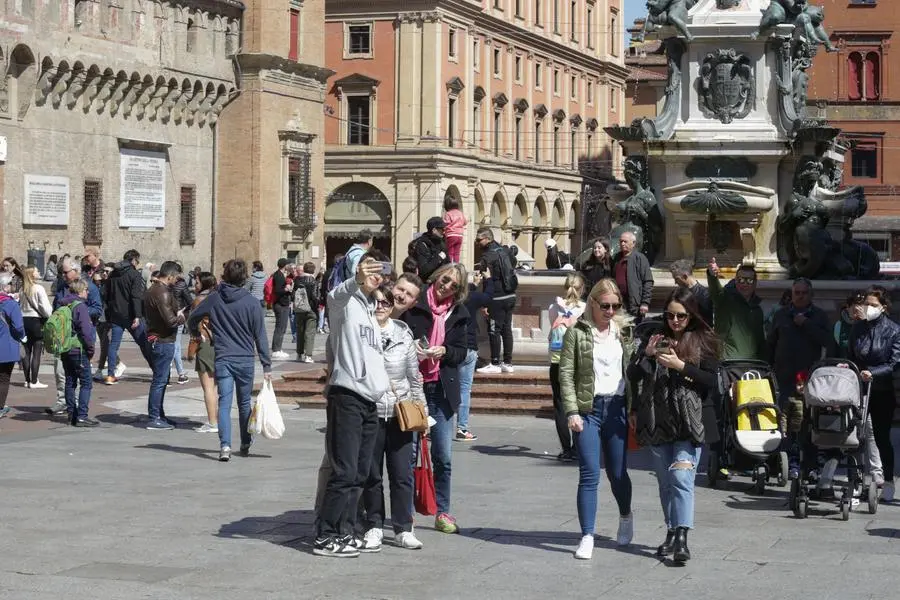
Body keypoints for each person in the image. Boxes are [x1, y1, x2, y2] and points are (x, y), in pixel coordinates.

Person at [630, 287, 720, 564]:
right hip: (659, 419)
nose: (674, 321)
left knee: (681, 478)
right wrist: (645, 354)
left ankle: (682, 536)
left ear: (691, 316)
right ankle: (671, 530)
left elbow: (712, 382)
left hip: (690, 423)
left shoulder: (704, 341)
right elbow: (632, 375)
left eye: (680, 316)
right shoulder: (654, 336)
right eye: (669, 315)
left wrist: (681, 366)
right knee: (666, 482)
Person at [314, 255, 389, 558]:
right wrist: (356, 280)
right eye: (367, 267)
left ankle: (345, 530)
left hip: (370, 399)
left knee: (359, 471)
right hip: (347, 394)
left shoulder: (371, 309)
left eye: (377, 269)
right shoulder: (343, 304)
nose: (374, 274)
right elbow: (336, 294)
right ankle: (325, 535)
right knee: (344, 471)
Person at [558, 278, 635, 560]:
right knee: (589, 474)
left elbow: (633, 373)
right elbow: (565, 374)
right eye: (605, 306)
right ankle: (587, 535)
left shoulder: (624, 332)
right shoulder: (577, 332)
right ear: (592, 303)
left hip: (616, 408)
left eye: (616, 306)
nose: (611, 311)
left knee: (617, 473)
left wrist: (635, 408)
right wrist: (572, 411)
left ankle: (626, 516)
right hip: (588, 410)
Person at [402, 262, 470, 534]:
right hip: (413, 387)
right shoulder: (415, 303)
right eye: (444, 280)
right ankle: (405, 512)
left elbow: (462, 351)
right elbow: (399, 334)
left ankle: (443, 511)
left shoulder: (459, 313)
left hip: (441, 390)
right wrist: (414, 348)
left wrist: (444, 351)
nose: (446, 286)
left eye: (454, 285)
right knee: (410, 454)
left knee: (443, 455)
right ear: (436, 277)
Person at [359, 283, 427, 551]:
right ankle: (374, 525)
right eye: (375, 302)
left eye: (386, 302)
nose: (380, 306)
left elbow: (414, 377)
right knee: (371, 474)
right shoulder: (361, 333)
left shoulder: (403, 335)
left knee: (401, 474)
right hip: (371, 410)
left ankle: (403, 528)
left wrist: (423, 414)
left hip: (400, 412)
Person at [188, 259, 272, 461]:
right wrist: (266, 364)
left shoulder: (215, 299)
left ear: (224, 275)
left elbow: (193, 317)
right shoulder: (252, 302)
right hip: (244, 358)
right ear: (244, 278)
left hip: (223, 357)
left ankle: (225, 446)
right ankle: (245, 441)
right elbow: (260, 335)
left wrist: (196, 334)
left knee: (224, 402)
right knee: (244, 403)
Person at [847, 286, 900, 501]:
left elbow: (895, 363)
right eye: (866, 304)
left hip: (881, 391)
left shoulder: (893, 330)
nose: (868, 308)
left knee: (880, 438)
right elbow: (850, 354)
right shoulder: (858, 328)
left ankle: (888, 479)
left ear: (884, 308)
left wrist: (874, 373)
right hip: (858, 389)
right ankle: (857, 479)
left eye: (873, 305)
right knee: (854, 437)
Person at [143, 261, 186, 430]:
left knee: (160, 379)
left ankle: (159, 415)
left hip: (157, 338)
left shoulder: (152, 290)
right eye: (176, 278)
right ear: (169, 276)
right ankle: (154, 417)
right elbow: (170, 321)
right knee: (160, 381)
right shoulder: (163, 293)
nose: (177, 281)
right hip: (163, 340)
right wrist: (182, 316)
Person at [548, 273, 587, 461]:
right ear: (582, 289)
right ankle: (579, 446)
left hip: (556, 361)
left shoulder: (553, 307)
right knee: (578, 403)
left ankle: (566, 449)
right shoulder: (584, 309)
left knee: (560, 405)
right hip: (577, 363)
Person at [105, 249, 151, 384]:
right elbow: (136, 296)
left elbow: (107, 295)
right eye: (137, 261)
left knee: (113, 346)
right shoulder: (134, 274)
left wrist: (109, 313)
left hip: (116, 315)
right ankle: (157, 370)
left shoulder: (113, 274)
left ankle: (110, 375)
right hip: (131, 316)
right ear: (133, 260)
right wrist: (137, 315)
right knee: (144, 343)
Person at [475, 227, 517, 374]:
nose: (477, 242)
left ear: (488, 239)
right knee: (507, 330)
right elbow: (514, 264)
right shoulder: (505, 251)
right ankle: (508, 363)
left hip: (496, 297)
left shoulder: (486, 257)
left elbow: (486, 281)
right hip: (511, 295)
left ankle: (494, 363)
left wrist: (485, 303)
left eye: (479, 239)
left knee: (494, 330)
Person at [57, 279, 99, 427]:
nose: (87, 292)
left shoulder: (63, 304)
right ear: (81, 291)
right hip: (78, 349)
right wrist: (90, 349)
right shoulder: (80, 306)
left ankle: (71, 414)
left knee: (70, 381)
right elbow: (86, 332)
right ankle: (82, 415)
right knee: (86, 383)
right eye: (86, 290)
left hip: (65, 348)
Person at [456, 268, 492, 442]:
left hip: (450, 346)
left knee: (443, 388)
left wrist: (473, 284)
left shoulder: (452, 295)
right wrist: (489, 280)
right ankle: (461, 428)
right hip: (468, 346)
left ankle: (437, 426)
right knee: (464, 388)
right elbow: (488, 298)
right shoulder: (473, 296)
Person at [707, 258, 765, 360]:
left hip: (752, 365)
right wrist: (712, 276)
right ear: (735, 281)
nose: (745, 284)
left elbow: (760, 341)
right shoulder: (725, 300)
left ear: (755, 283)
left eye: (749, 280)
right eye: (741, 280)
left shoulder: (757, 310)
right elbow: (716, 292)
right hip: (728, 363)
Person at [191, 272, 219, 433]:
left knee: (208, 387)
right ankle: (219, 419)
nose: (195, 285)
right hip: (220, 344)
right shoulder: (219, 298)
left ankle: (212, 423)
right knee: (218, 385)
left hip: (206, 343)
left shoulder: (200, 300)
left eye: (197, 282)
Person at [19, 265, 52, 389]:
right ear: (32, 274)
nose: (38, 272)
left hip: (23, 320)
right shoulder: (38, 288)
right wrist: (49, 315)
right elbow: (45, 307)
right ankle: (34, 381)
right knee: (37, 352)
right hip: (36, 321)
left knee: (26, 352)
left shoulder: (22, 289)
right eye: (37, 271)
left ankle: (27, 380)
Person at [0, 273, 26, 419]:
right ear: (5, 286)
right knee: (3, 378)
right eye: (10, 283)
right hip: (6, 346)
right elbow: (18, 326)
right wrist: (22, 336)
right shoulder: (10, 304)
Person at [612, 231, 653, 322]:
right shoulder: (616, 258)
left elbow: (648, 281)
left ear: (633, 243)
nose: (622, 244)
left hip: (634, 304)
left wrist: (645, 303)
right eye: (621, 241)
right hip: (618, 303)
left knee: (635, 329)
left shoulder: (640, 258)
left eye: (625, 241)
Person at [669, 259, 712, 325]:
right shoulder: (678, 293)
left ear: (685, 276)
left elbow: (705, 322)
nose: (675, 282)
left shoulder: (704, 295)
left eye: (677, 279)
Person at [170, 269, 194, 385]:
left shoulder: (165, 284)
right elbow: (190, 301)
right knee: (176, 345)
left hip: (167, 316)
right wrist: (184, 311)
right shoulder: (181, 284)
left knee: (174, 345)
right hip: (178, 317)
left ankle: (179, 373)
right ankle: (178, 374)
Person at [410, 217, 450, 282]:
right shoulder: (422, 245)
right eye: (441, 229)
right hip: (426, 284)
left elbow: (448, 263)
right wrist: (439, 258)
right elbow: (423, 270)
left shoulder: (442, 244)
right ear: (434, 230)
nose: (444, 231)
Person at [294, 262, 319, 363]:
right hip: (311, 309)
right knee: (310, 332)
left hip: (299, 309)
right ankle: (308, 355)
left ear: (304, 269)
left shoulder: (297, 280)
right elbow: (315, 296)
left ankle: (299, 354)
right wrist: (317, 304)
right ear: (313, 270)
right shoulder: (314, 281)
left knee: (300, 331)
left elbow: (293, 294)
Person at [270, 259, 293, 360]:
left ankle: (278, 349)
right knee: (280, 327)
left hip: (282, 304)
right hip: (280, 304)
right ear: (284, 265)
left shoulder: (280, 274)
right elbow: (278, 290)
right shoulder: (278, 276)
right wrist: (287, 289)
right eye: (288, 264)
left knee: (282, 327)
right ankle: (276, 350)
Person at [443, 196, 467, 263]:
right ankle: (456, 266)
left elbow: (446, 223)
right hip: (460, 235)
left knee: (450, 252)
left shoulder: (448, 214)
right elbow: (465, 222)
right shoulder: (460, 213)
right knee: (457, 253)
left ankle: (450, 266)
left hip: (451, 235)